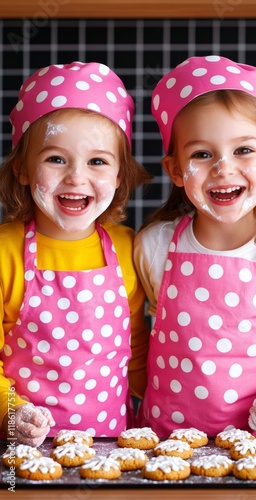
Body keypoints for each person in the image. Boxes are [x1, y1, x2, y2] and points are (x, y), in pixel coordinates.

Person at [0, 61, 151, 446]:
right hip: (25, 450)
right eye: (55, 158)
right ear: (22, 169)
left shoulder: (126, 246)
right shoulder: (5, 252)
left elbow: (134, 346)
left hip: (112, 447)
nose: (76, 177)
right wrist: (11, 413)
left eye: (97, 161)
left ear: (119, 176)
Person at [134, 55, 256, 438]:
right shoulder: (154, 246)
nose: (223, 167)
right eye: (202, 154)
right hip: (164, 444)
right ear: (177, 171)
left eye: (243, 150)